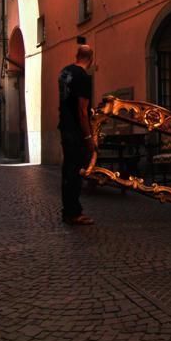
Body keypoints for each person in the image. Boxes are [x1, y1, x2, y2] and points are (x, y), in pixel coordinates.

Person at [58, 44, 96, 225]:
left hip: (64, 126)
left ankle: (68, 210)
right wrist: (88, 137)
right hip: (76, 130)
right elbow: (82, 111)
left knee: (67, 171)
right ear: (91, 59)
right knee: (76, 171)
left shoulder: (64, 72)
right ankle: (74, 212)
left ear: (76, 55)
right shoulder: (83, 77)